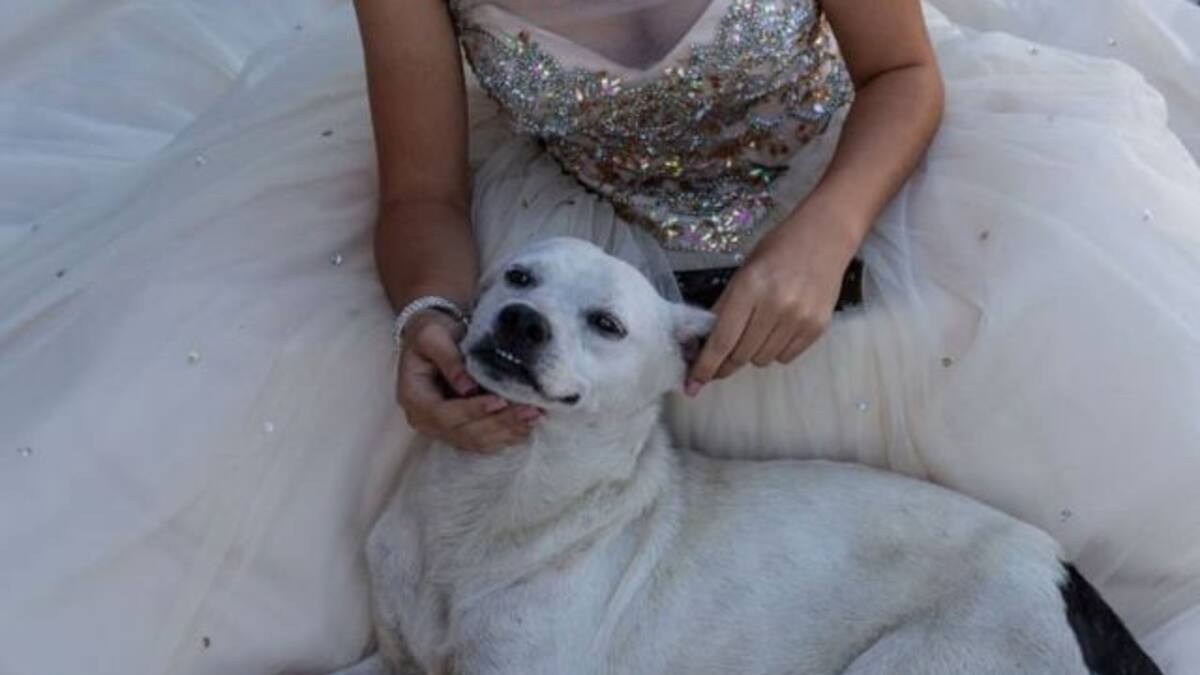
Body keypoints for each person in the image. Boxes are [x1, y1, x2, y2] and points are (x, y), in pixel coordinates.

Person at [2, 1, 1200, 674]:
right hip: (584, 234)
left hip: (844, 190)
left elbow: (902, 72)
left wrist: (829, 234)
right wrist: (429, 316)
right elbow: (419, 199)